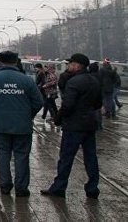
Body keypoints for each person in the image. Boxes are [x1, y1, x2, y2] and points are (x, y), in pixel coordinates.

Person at [0, 50, 43, 197]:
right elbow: (39, 102)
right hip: (23, 125)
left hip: (1, 124)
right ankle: (21, 189)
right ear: (16, 61)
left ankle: (5, 186)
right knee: (22, 156)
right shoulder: (26, 80)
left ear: (0, 61)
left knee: (3, 155)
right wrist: (28, 115)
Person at [42, 53, 102, 199]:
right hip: (90, 124)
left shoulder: (74, 82)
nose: (68, 66)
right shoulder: (94, 81)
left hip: (74, 126)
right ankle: (92, 188)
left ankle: (59, 187)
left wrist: (58, 118)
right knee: (90, 157)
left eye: (70, 64)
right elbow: (98, 104)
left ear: (76, 65)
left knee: (66, 157)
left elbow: (67, 105)